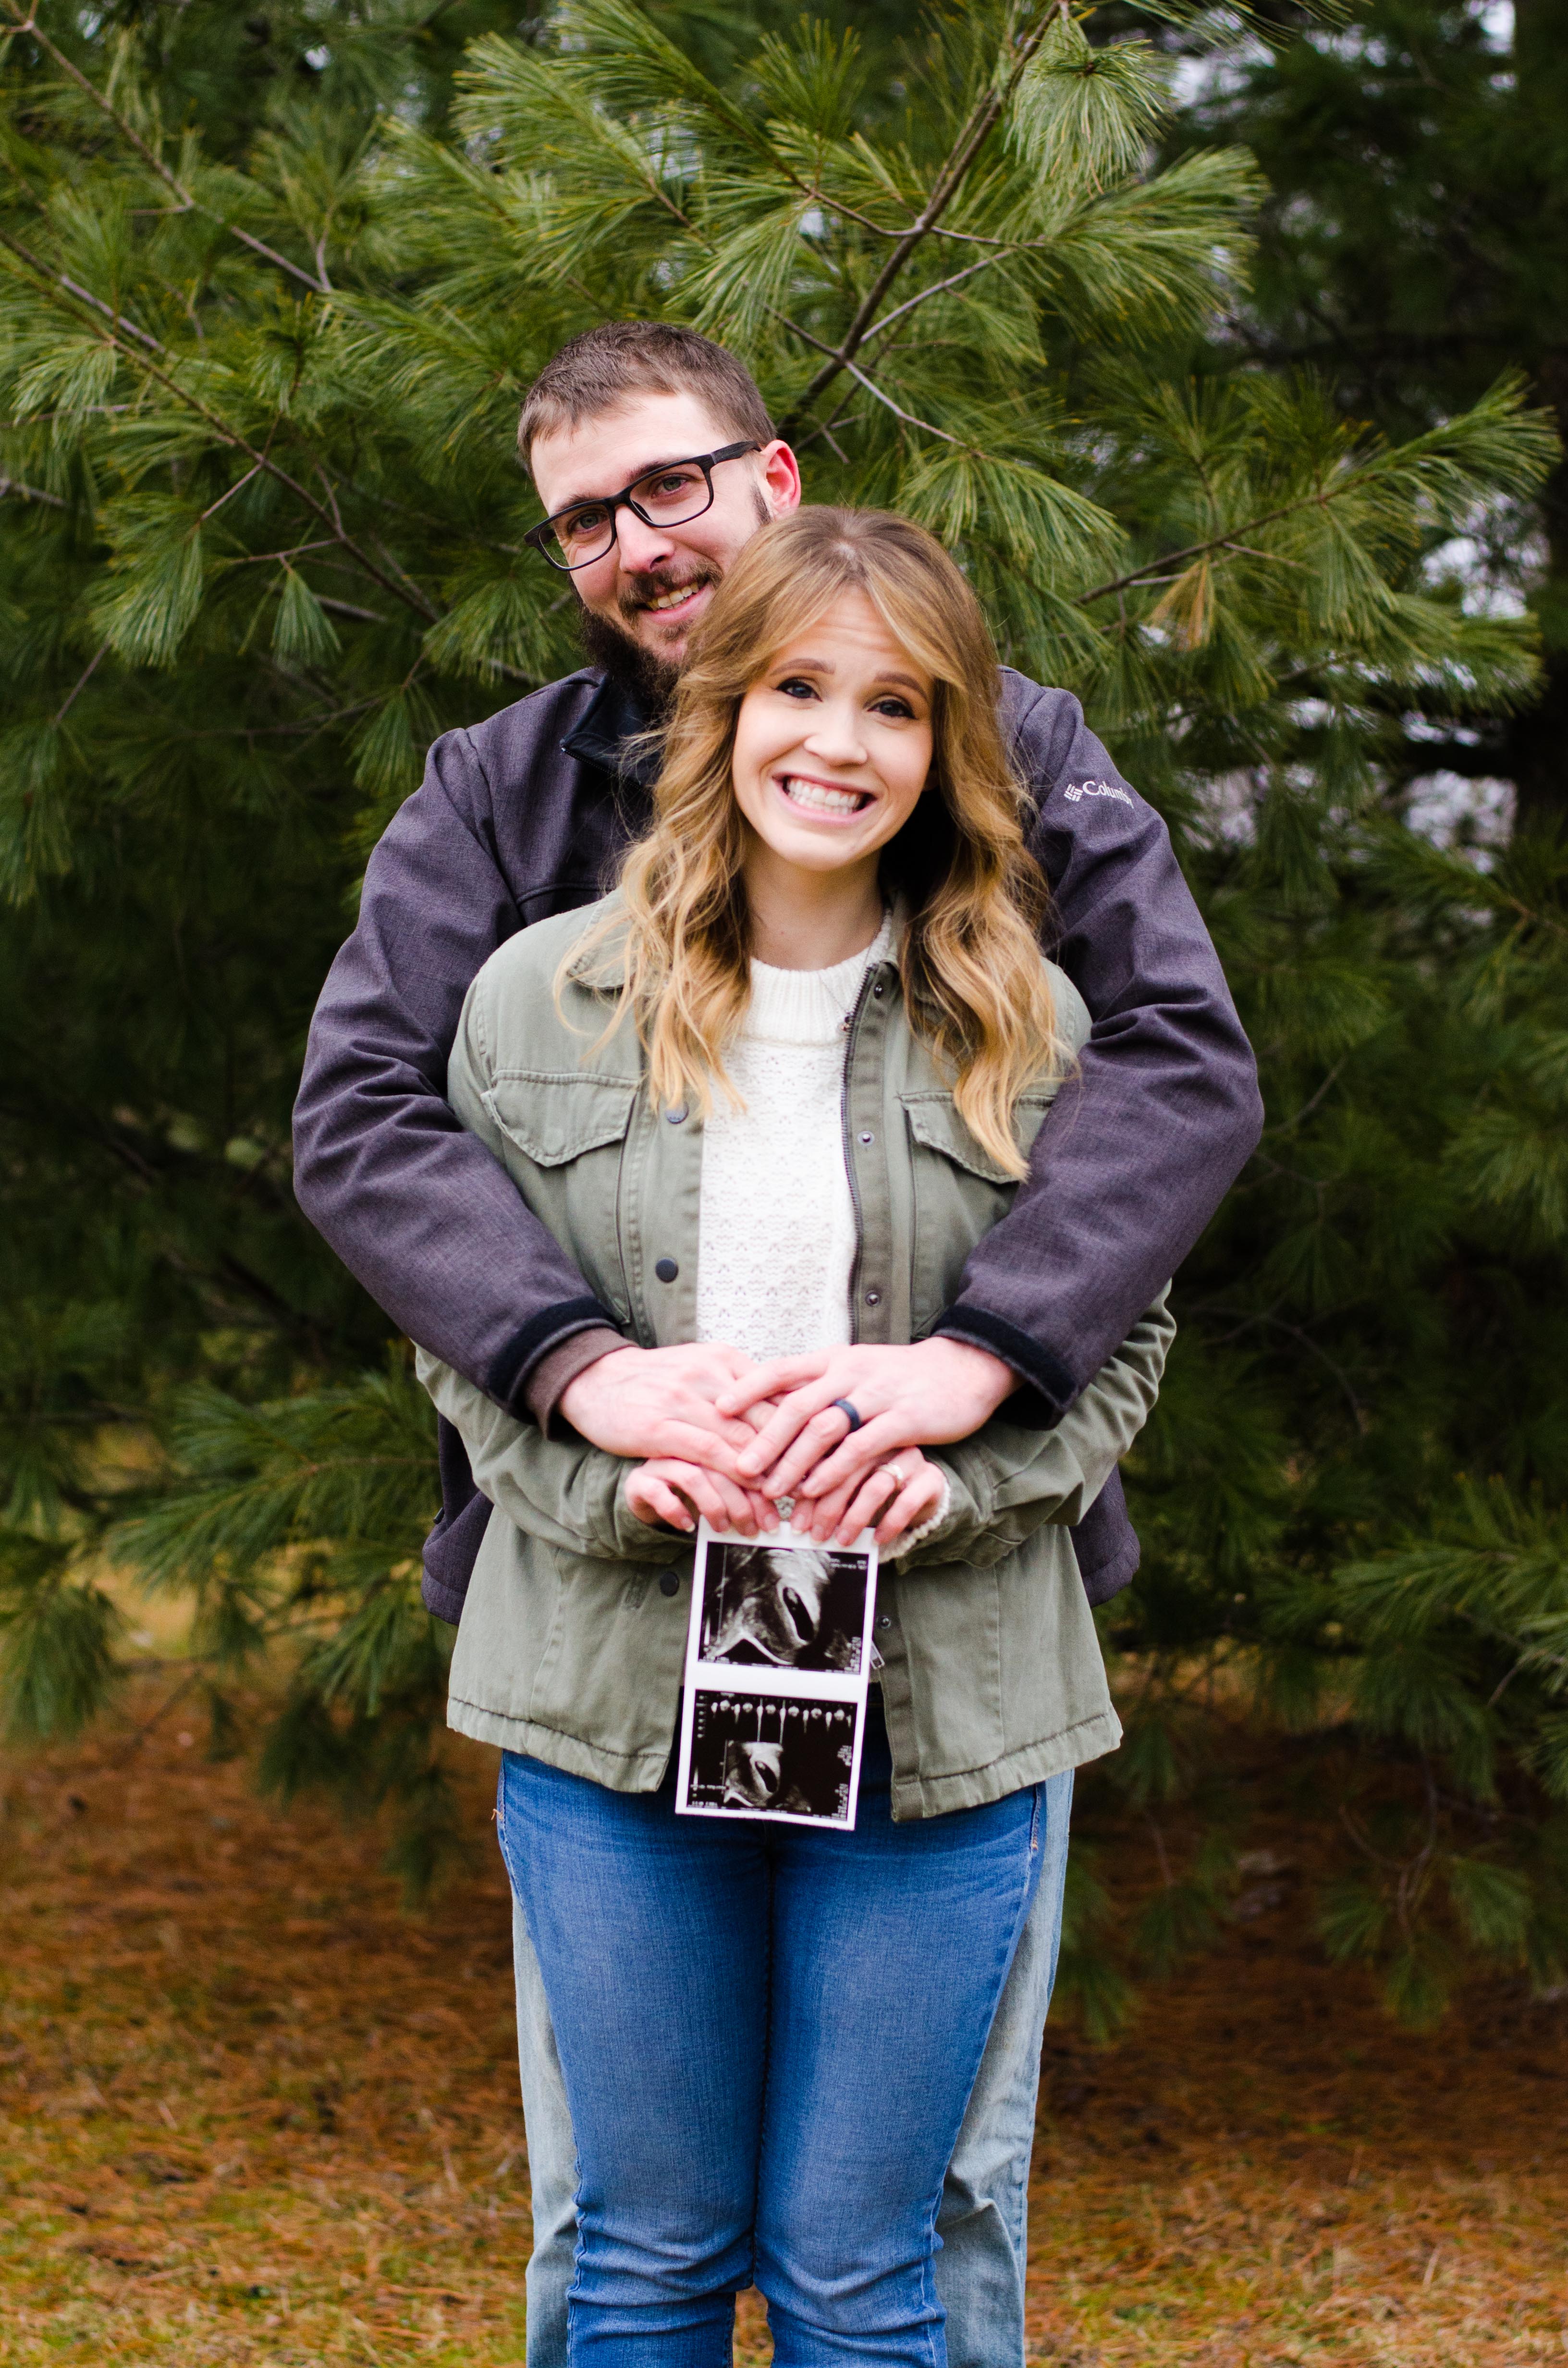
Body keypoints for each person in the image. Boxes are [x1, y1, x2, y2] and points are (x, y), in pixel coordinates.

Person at [292, 322, 1261, 2368]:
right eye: (584, 520)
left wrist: (980, 1368)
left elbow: (1178, 1072)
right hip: (619, 1600)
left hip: (940, 1614)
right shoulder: (505, 814)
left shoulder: (1019, 765)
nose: (637, 542)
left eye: (669, 485)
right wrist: (580, 1371)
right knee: (623, 2221)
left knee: (918, 2213)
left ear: (774, 474)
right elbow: (376, 1125)